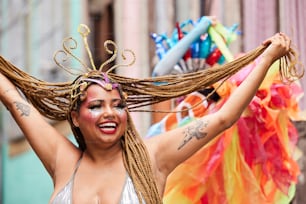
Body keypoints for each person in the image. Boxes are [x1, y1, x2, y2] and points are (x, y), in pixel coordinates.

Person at [0, 22, 300, 204]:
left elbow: (223, 118)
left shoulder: (152, 156)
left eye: (118, 105)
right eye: (96, 105)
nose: (110, 113)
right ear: (75, 118)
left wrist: (268, 57)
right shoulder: (63, 161)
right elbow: (13, 98)